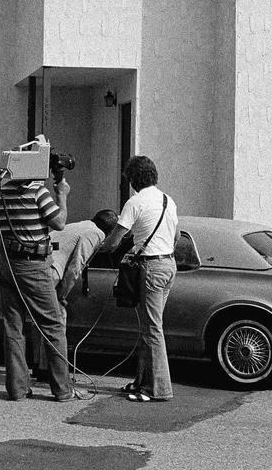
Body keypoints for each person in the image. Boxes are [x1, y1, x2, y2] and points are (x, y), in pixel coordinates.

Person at [0, 162, 76, 402]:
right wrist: (62, 195)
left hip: (7, 263)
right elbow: (59, 223)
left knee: (13, 326)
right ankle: (62, 389)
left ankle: (17, 389)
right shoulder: (38, 193)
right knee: (53, 325)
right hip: (34, 264)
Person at [99, 155, 179, 402]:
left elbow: (113, 242)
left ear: (133, 179)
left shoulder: (135, 202)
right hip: (169, 264)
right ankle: (141, 382)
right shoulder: (168, 200)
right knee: (149, 326)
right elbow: (175, 238)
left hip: (150, 268)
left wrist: (96, 246)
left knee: (153, 329)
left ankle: (158, 389)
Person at [32, 208, 119, 377]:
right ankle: (53, 371)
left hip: (36, 267)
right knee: (57, 319)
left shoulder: (81, 225)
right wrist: (62, 295)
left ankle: (39, 365)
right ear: (109, 232)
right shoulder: (95, 234)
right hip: (50, 271)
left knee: (40, 320)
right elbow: (75, 268)